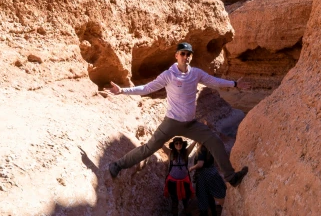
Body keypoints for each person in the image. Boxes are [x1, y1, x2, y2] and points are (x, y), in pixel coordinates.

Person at [104, 42, 249, 187]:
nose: (185, 57)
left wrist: (234, 84)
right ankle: (117, 165)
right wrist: (122, 91)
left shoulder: (196, 73)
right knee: (148, 148)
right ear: (176, 55)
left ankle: (232, 178)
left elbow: (214, 81)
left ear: (191, 57)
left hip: (191, 124)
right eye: (182, 54)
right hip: (171, 123)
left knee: (215, 142)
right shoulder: (169, 75)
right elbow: (147, 88)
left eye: (188, 54)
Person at [162, 137, 197, 216]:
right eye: (176, 143)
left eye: (180, 143)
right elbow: (160, 144)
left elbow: (194, 143)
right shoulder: (170, 153)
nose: (178, 145)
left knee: (186, 202)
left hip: (184, 182)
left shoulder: (186, 152)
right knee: (175, 203)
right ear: (174, 145)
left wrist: (198, 135)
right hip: (173, 182)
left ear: (183, 144)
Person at [189, 142, 226, 216]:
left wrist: (192, 168)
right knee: (209, 195)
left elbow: (200, 164)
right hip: (211, 172)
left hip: (203, 175)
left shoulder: (202, 149)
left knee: (202, 194)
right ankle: (214, 214)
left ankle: (204, 214)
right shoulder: (209, 147)